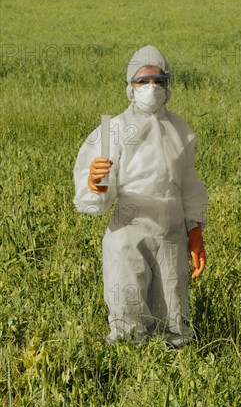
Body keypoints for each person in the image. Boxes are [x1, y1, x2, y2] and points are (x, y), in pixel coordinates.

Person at [73, 45, 208, 348]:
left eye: (159, 81)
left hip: (171, 234)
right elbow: (95, 191)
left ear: (168, 86)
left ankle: (172, 380)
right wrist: (95, 184)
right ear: (130, 87)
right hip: (128, 231)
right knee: (127, 314)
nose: (151, 88)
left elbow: (188, 184)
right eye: (142, 81)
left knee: (174, 318)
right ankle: (124, 375)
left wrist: (195, 230)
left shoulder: (181, 131)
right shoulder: (113, 130)